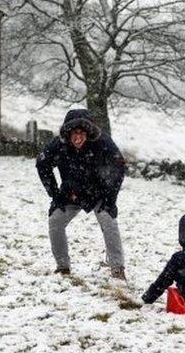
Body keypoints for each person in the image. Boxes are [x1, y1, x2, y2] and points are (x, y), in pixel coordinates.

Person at [36, 109, 127, 279]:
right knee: (55, 221)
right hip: (71, 194)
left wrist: (110, 199)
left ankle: (117, 269)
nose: (78, 138)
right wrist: (55, 194)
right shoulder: (58, 144)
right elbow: (42, 164)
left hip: (99, 194)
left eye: (82, 133)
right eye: (74, 133)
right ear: (68, 134)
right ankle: (63, 268)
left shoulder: (103, 142)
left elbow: (119, 166)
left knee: (109, 223)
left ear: (88, 133)